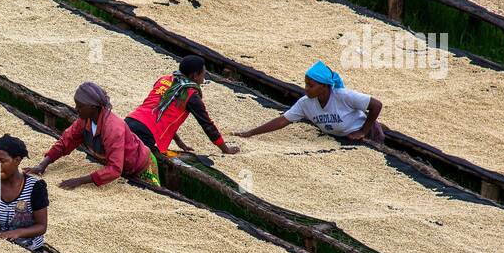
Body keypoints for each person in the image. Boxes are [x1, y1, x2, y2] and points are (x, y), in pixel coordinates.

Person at [26, 82, 160, 189]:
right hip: (121, 166)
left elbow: (114, 169)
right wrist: (43, 164)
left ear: (93, 107)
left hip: (141, 165)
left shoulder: (113, 128)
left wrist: (79, 181)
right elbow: (67, 140)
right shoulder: (85, 120)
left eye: (80, 106)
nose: (76, 109)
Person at [234, 61, 385, 143]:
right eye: (306, 84)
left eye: (310, 86)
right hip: (339, 139)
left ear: (324, 86)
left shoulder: (343, 96)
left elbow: (376, 105)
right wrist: (251, 133)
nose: (306, 89)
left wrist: (363, 131)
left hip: (365, 135)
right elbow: (282, 121)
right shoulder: (305, 103)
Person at [126, 55, 240, 158]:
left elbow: (162, 112)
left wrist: (179, 142)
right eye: (203, 74)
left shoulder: (164, 79)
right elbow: (207, 125)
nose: (203, 78)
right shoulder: (191, 95)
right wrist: (225, 149)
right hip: (146, 133)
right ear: (195, 76)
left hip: (129, 121)